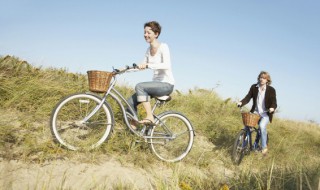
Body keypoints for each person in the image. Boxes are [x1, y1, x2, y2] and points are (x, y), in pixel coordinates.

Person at [127, 21, 174, 126]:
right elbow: (141, 66)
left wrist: (148, 65)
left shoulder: (163, 47)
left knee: (140, 86)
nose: (145, 35)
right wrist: (124, 70)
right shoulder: (148, 50)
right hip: (155, 85)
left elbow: (166, 65)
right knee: (130, 102)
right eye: (144, 32)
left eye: (148, 32)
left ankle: (149, 117)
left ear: (156, 34)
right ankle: (134, 128)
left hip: (166, 85)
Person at [237, 71, 277, 156]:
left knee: (262, 127)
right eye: (261, 77)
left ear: (267, 80)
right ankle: (244, 145)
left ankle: (263, 147)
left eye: (264, 78)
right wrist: (241, 102)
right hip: (255, 112)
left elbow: (274, 101)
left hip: (265, 113)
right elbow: (248, 97)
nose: (262, 79)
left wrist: (272, 108)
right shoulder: (254, 87)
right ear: (259, 78)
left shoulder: (271, 90)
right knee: (247, 126)